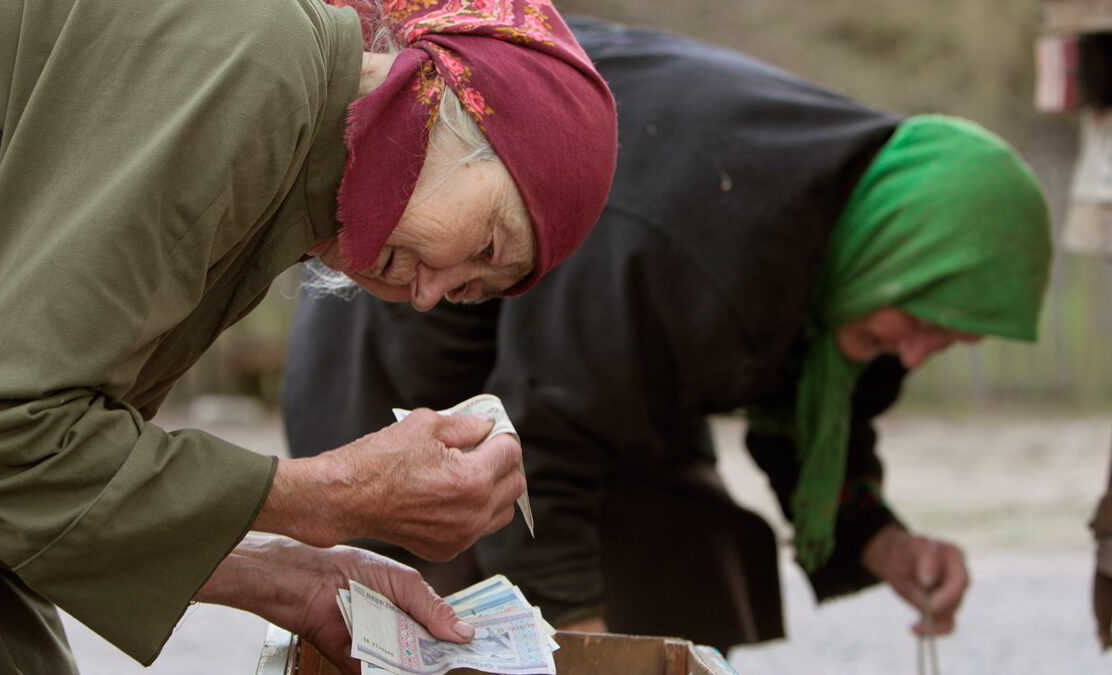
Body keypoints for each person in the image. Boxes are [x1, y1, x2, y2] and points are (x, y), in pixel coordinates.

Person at [281, 17, 1053, 652]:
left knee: (696, 570)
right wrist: (582, 640)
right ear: (897, 257)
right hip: (412, 336)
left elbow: (810, 394)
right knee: (451, 633)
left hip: (589, 366)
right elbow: (546, 439)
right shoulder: (705, 242)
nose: (915, 353)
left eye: (943, 343)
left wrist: (879, 537)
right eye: (918, 324)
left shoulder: (852, 242)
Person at [0, 0, 616, 672]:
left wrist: (286, 576)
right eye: (486, 244)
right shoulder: (259, 63)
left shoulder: (278, 184)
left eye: (470, 291)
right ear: (441, 97)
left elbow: (14, 502)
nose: (429, 294)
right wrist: (333, 493)